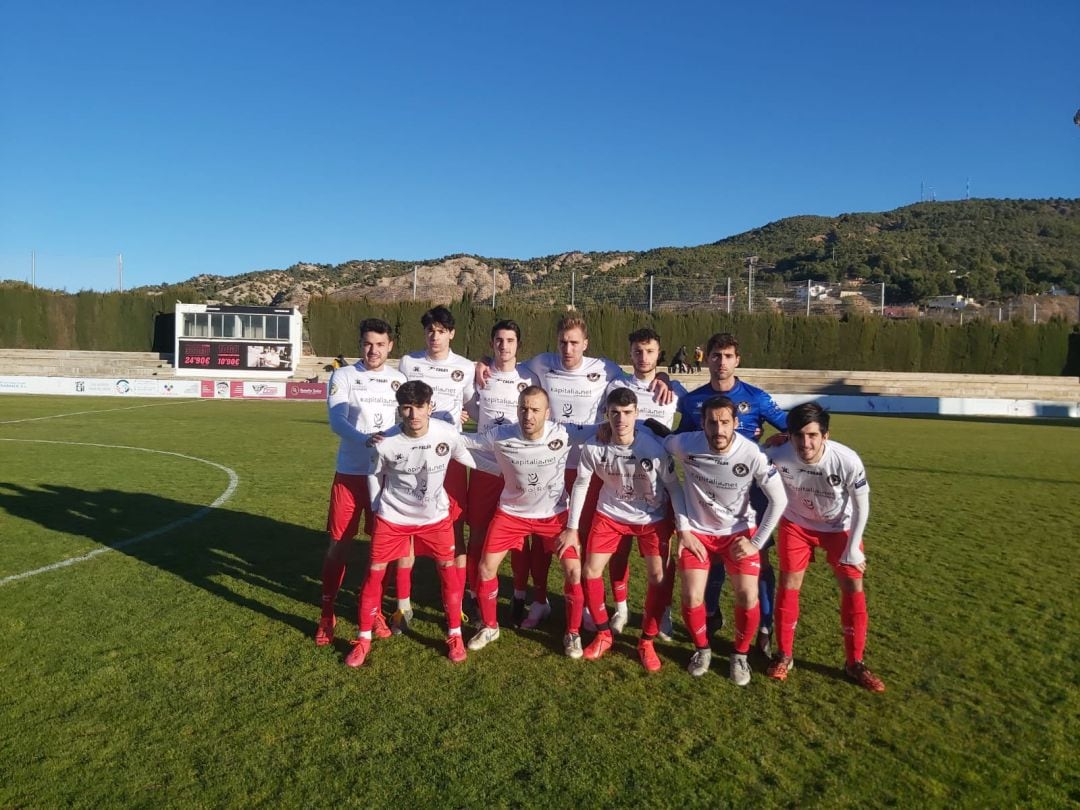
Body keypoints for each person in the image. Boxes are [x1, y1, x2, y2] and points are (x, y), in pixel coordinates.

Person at [345, 380, 479, 667]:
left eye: (419, 407)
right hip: (393, 518)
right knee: (375, 574)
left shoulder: (446, 432)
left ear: (430, 407)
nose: (414, 414)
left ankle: (454, 634)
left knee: (448, 571)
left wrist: (505, 469)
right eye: (407, 408)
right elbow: (373, 474)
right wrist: (377, 504)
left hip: (435, 518)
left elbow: (465, 455)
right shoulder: (386, 442)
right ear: (399, 409)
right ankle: (363, 638)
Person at [675, 332, 788, 654]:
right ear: (706, 358)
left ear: (737, 360)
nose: (721, 362)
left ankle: (764, 627)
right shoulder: (693, 401)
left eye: (727, 356)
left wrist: (779, 442)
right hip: (708, 496)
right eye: (715, 355)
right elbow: (678, 439)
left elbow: (791, 426)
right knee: (711, 559)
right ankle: (710, 615)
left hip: (752, 493)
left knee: (758, 559)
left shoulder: (757, 398)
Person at [665, 395, 787, 684]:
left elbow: (778, 500)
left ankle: (740, 655)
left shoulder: (752, 454)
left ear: (735, 423)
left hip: (738, 534)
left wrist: (756, 542)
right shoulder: (686, 444)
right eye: (711, 422)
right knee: (691, 596)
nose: (718, 429)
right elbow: (659, 438)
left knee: (748, 595)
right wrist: (683, 528)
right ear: (702, 424)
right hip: (698, 534)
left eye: (724, 422)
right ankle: (702, 649)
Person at [765, 402, 885, 692]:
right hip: (796, 525)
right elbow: (745, 459)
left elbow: (861, 505)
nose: (805, 443)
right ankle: (784, 655)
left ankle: (855, 662)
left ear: (825, 436)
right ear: (789, 435)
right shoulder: (778, 454)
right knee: (789, 585)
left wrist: (854, 547)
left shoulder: (847, 460)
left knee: (853, 587)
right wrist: (765, 444)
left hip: (839, 529)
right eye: (798, 436)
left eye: (812, 435)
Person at [465, 386, 592, 658]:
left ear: (547, 413)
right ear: (517, 409)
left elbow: (604, 427)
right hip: (511, 514)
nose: (528, 415)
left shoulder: (564, 432)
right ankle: (490, 626)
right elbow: (465, 442)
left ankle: (572, 633)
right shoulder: (500, 435)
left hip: (554, 516)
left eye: (535, 410)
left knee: (573, 571)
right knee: (486, 568)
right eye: (523, 408)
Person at [564, 387, 684, 671]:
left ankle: (647, 641)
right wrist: (571, 528)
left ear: (637, 414)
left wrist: (685, 527)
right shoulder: (594, 447)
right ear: (606, 414)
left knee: (657, 576)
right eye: (615, 413)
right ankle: (604, 634)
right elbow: (581, 485)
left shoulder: (653, 449)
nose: (621, 419)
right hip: (611, 514)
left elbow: (674, 488)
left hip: (651, 517)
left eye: (628, 413)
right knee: (590, 571)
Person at [315, 318, 406, 646]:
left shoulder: (399, 379)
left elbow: (409, 421)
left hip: (386, 478)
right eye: (368, 343)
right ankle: (327, 611)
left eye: (380, 344)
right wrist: (366, 439)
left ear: (390, 346)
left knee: (381, 549)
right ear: (360, 343)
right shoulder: (344, 376)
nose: (373, 350)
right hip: (352, 473)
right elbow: (337, 420)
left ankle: (374, 610)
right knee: (340, 544)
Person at [395, 305, 477, 633]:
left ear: (451, 334)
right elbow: (397, 405)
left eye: (441, 330)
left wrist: (461, 417)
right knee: (408, 530)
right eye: (430, 329)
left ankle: (455, 603)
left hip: (449, 461)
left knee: (454, 527)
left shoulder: (466, 367)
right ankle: (403, 605)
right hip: (413, 459)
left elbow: (472, 405)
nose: (435, 336)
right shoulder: (409, 363)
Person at [603, 327, 686, 638]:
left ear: (658, 353)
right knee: (619, 551)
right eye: (638, 351)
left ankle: (662, 614)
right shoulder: (616, 386)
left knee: (662, 559)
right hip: (620, 481)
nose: (643, 357)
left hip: (659, 486)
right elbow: (602, 420)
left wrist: (664, 377)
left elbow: (699, 418)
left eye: (650, 351)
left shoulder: (673, 389)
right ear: (630, 354)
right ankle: (621, 608)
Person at [465, 319, 538, 626]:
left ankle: (520, 594)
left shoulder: (530, 376)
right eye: (499, 340)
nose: (504, 346)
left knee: (519, 536)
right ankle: (472, 589)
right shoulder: (478, 375)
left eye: (510, 340)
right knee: (478, 531)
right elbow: (468, 409)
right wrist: (479, 363)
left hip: (517, 469)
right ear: (492, 343)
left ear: (518, 344)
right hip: (484, 467)